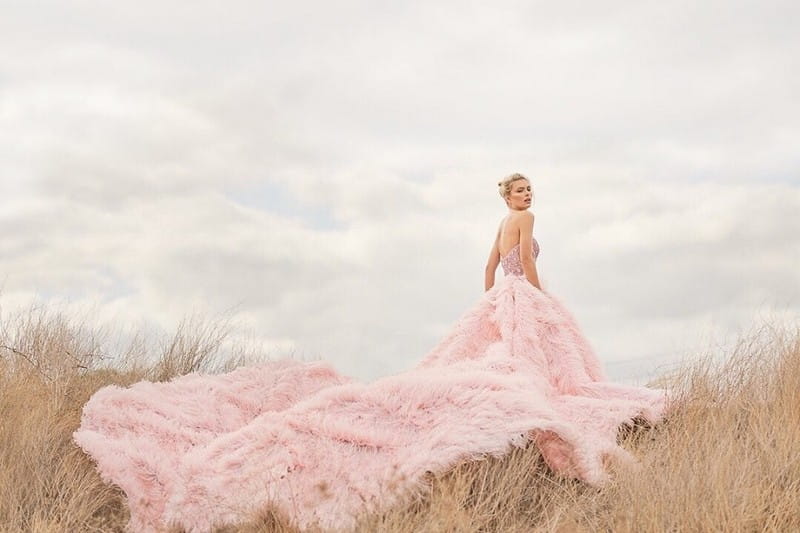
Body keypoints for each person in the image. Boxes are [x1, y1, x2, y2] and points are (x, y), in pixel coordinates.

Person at [74, 173, 670, 533]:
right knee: (541, 365)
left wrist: (497, 297)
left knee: (499, 358)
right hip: (525, 294)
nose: (526, 195)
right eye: (519, 190)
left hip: (503, 296)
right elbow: (526, 263)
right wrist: (533, 297)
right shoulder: (526, 220)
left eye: (529, 189)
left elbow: (490, 266)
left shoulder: (499, 223)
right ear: (509, 195)